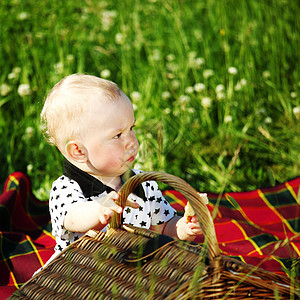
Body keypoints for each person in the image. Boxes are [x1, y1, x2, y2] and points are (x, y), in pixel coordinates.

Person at [40, 73, 202, 265]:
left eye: (131, 128)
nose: (131, 142)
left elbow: (163, 227)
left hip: (129, 273)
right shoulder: (66, 188)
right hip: (79, 273)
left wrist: (183, 228)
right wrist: (100, 209)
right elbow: (75, 218)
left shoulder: (143, 183)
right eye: (117, 135)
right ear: (78, 151)